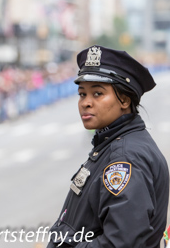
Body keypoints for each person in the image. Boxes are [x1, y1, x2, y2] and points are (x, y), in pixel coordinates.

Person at [47, 45, 169, 248]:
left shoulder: (125, 157)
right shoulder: (112, 143)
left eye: (97, 94)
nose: (86, 103)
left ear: (125, 100)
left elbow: (120, 243)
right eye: (82, 94)